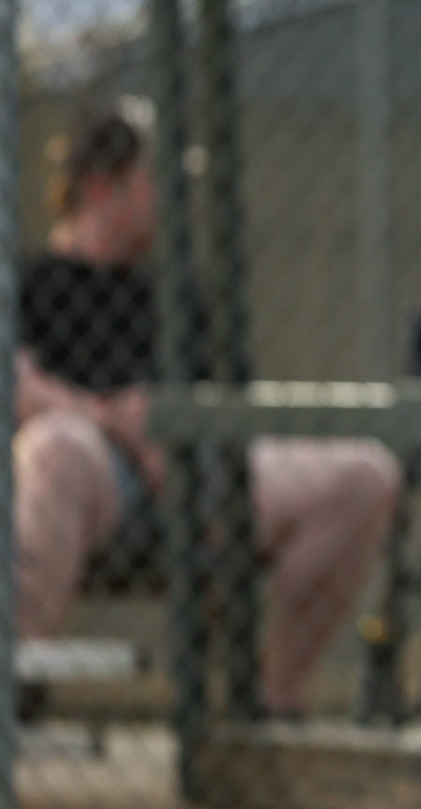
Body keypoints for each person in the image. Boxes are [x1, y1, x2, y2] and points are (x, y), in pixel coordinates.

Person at [15, 109, 401, 717]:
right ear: (100, 186)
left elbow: (235, 402)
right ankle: (19, 690)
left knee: (365, 475)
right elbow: (21, 386)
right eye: (154, 178)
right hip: (98, 476)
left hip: (199, 473)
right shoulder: (31, 283)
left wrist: (178, 432)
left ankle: (271, 708)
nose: (172, 197)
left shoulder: (180, 292)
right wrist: (114, 423)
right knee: (56, 445)